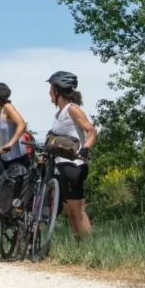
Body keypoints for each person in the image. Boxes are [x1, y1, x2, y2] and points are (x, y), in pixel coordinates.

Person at [47, 70, 96, 241]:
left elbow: (91, 131)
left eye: (50, 89)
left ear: (57, 91)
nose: (49, 94)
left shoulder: (73, 109)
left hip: (74, 165)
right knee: (69, 211)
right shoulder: (59, 114)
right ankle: (79, 246)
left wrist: (85, 149)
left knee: (77, 210)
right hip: (63, 165)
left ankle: (88, 249)